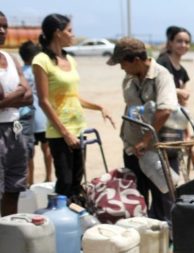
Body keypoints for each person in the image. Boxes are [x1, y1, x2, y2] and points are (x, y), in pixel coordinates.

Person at [33, 14, 114, 200]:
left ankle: (76, 219)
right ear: (57, 33)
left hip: (78, 128)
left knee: (77, 180)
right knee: (65, 181)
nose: (73, 35)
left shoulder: (70, 59)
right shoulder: (42, 60)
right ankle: (61, 222)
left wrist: (99, 106)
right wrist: (65, 133)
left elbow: (73, 97)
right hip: (59, 132)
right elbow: (44, 101)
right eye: (69, 31)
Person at [110, 37, 180, 225]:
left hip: (158, 149)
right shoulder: (129, 78)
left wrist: (146, 140)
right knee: (137, 197)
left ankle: (167, 241)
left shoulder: (162, 76)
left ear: (136, 60)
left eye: (122, 63)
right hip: (134, 148)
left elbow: (165, 110)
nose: (121, 68)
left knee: (163, 199)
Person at [156, 26, 194, 169]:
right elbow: (156, 87)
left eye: (187, 42)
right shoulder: (162, 63)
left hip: (176, 118)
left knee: (175, 158)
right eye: (179, 41)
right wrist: (179, 92)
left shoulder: (183, 70)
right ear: (170, 43)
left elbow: (183, 99)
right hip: (162, 118)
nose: (183, 45)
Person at [0, 10, 33, 216]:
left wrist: (6, 100)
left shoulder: (11, 59)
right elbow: (22, 92)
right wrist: (19, 92)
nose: (2, 30)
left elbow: (29, 97)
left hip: (15, 128)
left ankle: (9, 235)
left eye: (5, 26)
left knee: (15, 187)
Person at [19, 41, 52, 185]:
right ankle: (48, 177)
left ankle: (30, 181)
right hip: (42, 116)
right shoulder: (39, 71)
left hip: (25, 117)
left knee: (28, 153)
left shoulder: (19, 73)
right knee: (47, 149)